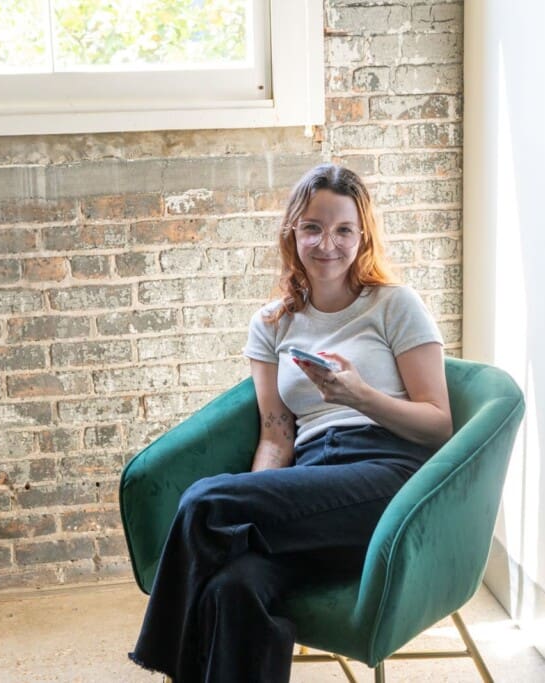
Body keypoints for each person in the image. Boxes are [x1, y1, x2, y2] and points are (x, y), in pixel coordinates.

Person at [129, 163, 452, 682]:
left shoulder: (395, 305)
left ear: (362, 236)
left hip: (386, 478)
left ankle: (162, 662)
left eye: (344, 229)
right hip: (310, 483)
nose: (328, 243)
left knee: (205, 500)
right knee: (236, 587)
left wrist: (362, 396)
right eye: (313, 228)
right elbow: (276, 435)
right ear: (292, 234)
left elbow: (438, 425)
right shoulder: (272, 323)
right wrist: (258, 507)